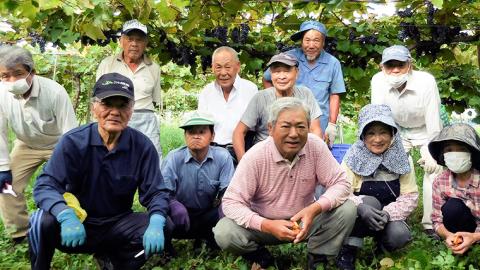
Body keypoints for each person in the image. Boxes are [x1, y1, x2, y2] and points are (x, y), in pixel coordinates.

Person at [29, 73, 170, 270]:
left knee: (165, 224)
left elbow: (156, 192)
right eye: (107, 104)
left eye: (122, 105)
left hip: (117, 224)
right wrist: (65, 215)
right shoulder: (73, 142)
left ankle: (116, 262)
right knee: (41, 221)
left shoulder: (142, 146)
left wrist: (156, 221)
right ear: (94, 107)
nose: (114, 112)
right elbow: (45, 185)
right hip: (79, 222)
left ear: (131, 110)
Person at [214, 97, 356, 270]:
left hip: (304, 222)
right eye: (286, 126)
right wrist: (265, 224)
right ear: (271, 129)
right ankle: (259, 255)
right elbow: (231, 202)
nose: (294, 134)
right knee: (224, 232)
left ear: (309, 127)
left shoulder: (316, 147)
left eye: (301, 126)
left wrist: (315, 208)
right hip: (264, 225)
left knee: (347, 209)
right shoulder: (255, 156)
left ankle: (318, 256)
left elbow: (341, 183)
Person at [0, 45, 78, 242]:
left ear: (32, 72)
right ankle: (20, 233)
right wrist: (3, 167)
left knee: (75, 184)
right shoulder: (1, 94)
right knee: (6, 187)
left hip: (58, 145)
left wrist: (72, 165)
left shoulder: (55, 92)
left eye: (17, 73)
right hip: (26, 145)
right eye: (4, 75)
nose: (11, 80)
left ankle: (74, 222)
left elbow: (70, 133)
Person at [371, 45, 443, 237]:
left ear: (409, 65)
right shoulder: (377, 81)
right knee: (389, 168)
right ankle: (392, 213)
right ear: (382, 67)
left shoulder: (426, 81)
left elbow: (433, 117)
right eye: (390, 65)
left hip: (426, 130)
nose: (395, 70)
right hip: (396, 131)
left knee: (434, 170)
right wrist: (383, 146)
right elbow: (378, 116)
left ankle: (431, 223)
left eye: (400, 65)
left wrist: (434, 152)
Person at [336, 104, 418, 269]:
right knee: (370, 202)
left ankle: (382, 247)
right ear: (363, 136)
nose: (378, 139)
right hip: (360, 216)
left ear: (392, 133)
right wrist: (360, 208)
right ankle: (349, 249)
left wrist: (387, 214)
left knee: (399, 235)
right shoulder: (352, 158)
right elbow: (341, 191)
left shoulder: (403, 159)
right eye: (371, 133)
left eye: (383, 132)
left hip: (389, 217)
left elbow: (410, 196)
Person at [263, 20, 346, 147]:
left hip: (319, 124)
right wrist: (275, 102)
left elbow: (334, 94)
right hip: (289, 121)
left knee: (315, 158)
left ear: (323, 42)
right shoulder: (289, 58)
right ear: (301, 41)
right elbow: (267, 77)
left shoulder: (332, 63)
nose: (311, 45)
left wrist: (332, 124)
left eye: (316, 40)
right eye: (307, 40)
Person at [161, 110, 234, 251]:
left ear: (212, 136)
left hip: (207, 214)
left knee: (230, 212)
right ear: (185, 136)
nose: (196, 136)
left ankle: (210, 240)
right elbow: (162, 192)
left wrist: (223, 208)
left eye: (201, 132)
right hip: (180, 215)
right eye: (191, 132)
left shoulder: (223, 157)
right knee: (160, 215)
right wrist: (173, 204)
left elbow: (228, 191)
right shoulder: (173, 158)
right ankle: (166, 250)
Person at [232, 52, 322, 161]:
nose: (282, 76)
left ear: (296, 73)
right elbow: (239, 133)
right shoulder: (261, 98)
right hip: (265, 158)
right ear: (271, 74)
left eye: (287, 71)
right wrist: (244, 163)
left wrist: (315, 159)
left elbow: (315, 130)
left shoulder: (305, 94)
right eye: (277, 72)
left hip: (299, 156)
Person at [96, 19, 162, 162]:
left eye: (139, 40)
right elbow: (98, 97)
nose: (134, 44)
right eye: (130, 39)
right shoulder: (107, 64)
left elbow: (155, 99)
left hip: (146, 119)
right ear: (121, 41)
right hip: (115, 116)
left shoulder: (154, 68)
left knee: (153, 160)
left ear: (145, 44)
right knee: (112, 159)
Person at [198, 46, 258, 162]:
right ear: (212, 68)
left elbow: (256, 126)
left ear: (238, 66)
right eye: (218, 67)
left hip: (242, 151)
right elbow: (201, 126)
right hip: (212, 153)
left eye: (228, 67)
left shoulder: (251, 90)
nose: (223, 73)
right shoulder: (206, 92)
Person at [428, 123, 480, 255]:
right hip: (457, 230)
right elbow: (436, 220)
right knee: (452, 206)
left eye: (461, 149)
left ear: (471, 153)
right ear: (443, 154)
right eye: (449, 149)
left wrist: (474, 237)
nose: (455, 154)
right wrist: (448, 235)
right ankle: (458, 245)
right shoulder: (440, 181)